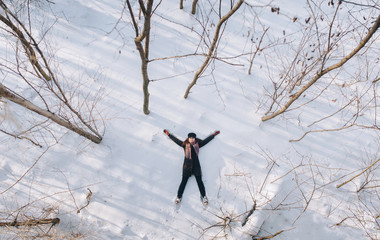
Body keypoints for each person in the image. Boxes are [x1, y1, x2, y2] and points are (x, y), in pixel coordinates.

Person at [163, 129, 220, 205]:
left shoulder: (198, 144)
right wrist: (168, 134)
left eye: (193, 138)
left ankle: (204, 197)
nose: (191, 139)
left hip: (196, 166)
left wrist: (213, 135)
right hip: (187, 167)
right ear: (188, 138)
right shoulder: (184, 145)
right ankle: (179, 197)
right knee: (183, 182)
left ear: (195, 138)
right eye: (190, 138)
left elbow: (206, 141)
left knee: (200, 182)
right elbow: (176, 140)